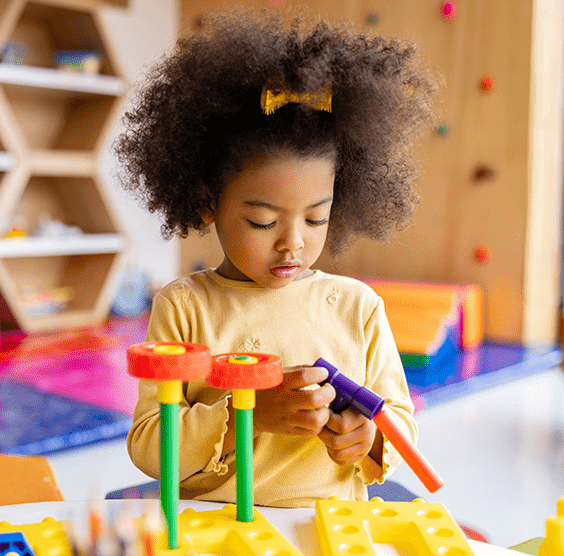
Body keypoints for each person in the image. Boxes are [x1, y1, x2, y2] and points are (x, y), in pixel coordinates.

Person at [115, 7, 439, 506]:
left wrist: (370, 440)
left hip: (329, 529)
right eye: (263, 222)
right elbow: (149, 448)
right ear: (206, 202)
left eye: (315, 219)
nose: (293, 242)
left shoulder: (358, 306)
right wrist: (248, 415)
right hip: (216, 530)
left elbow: (399, 425)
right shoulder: (184, 307)